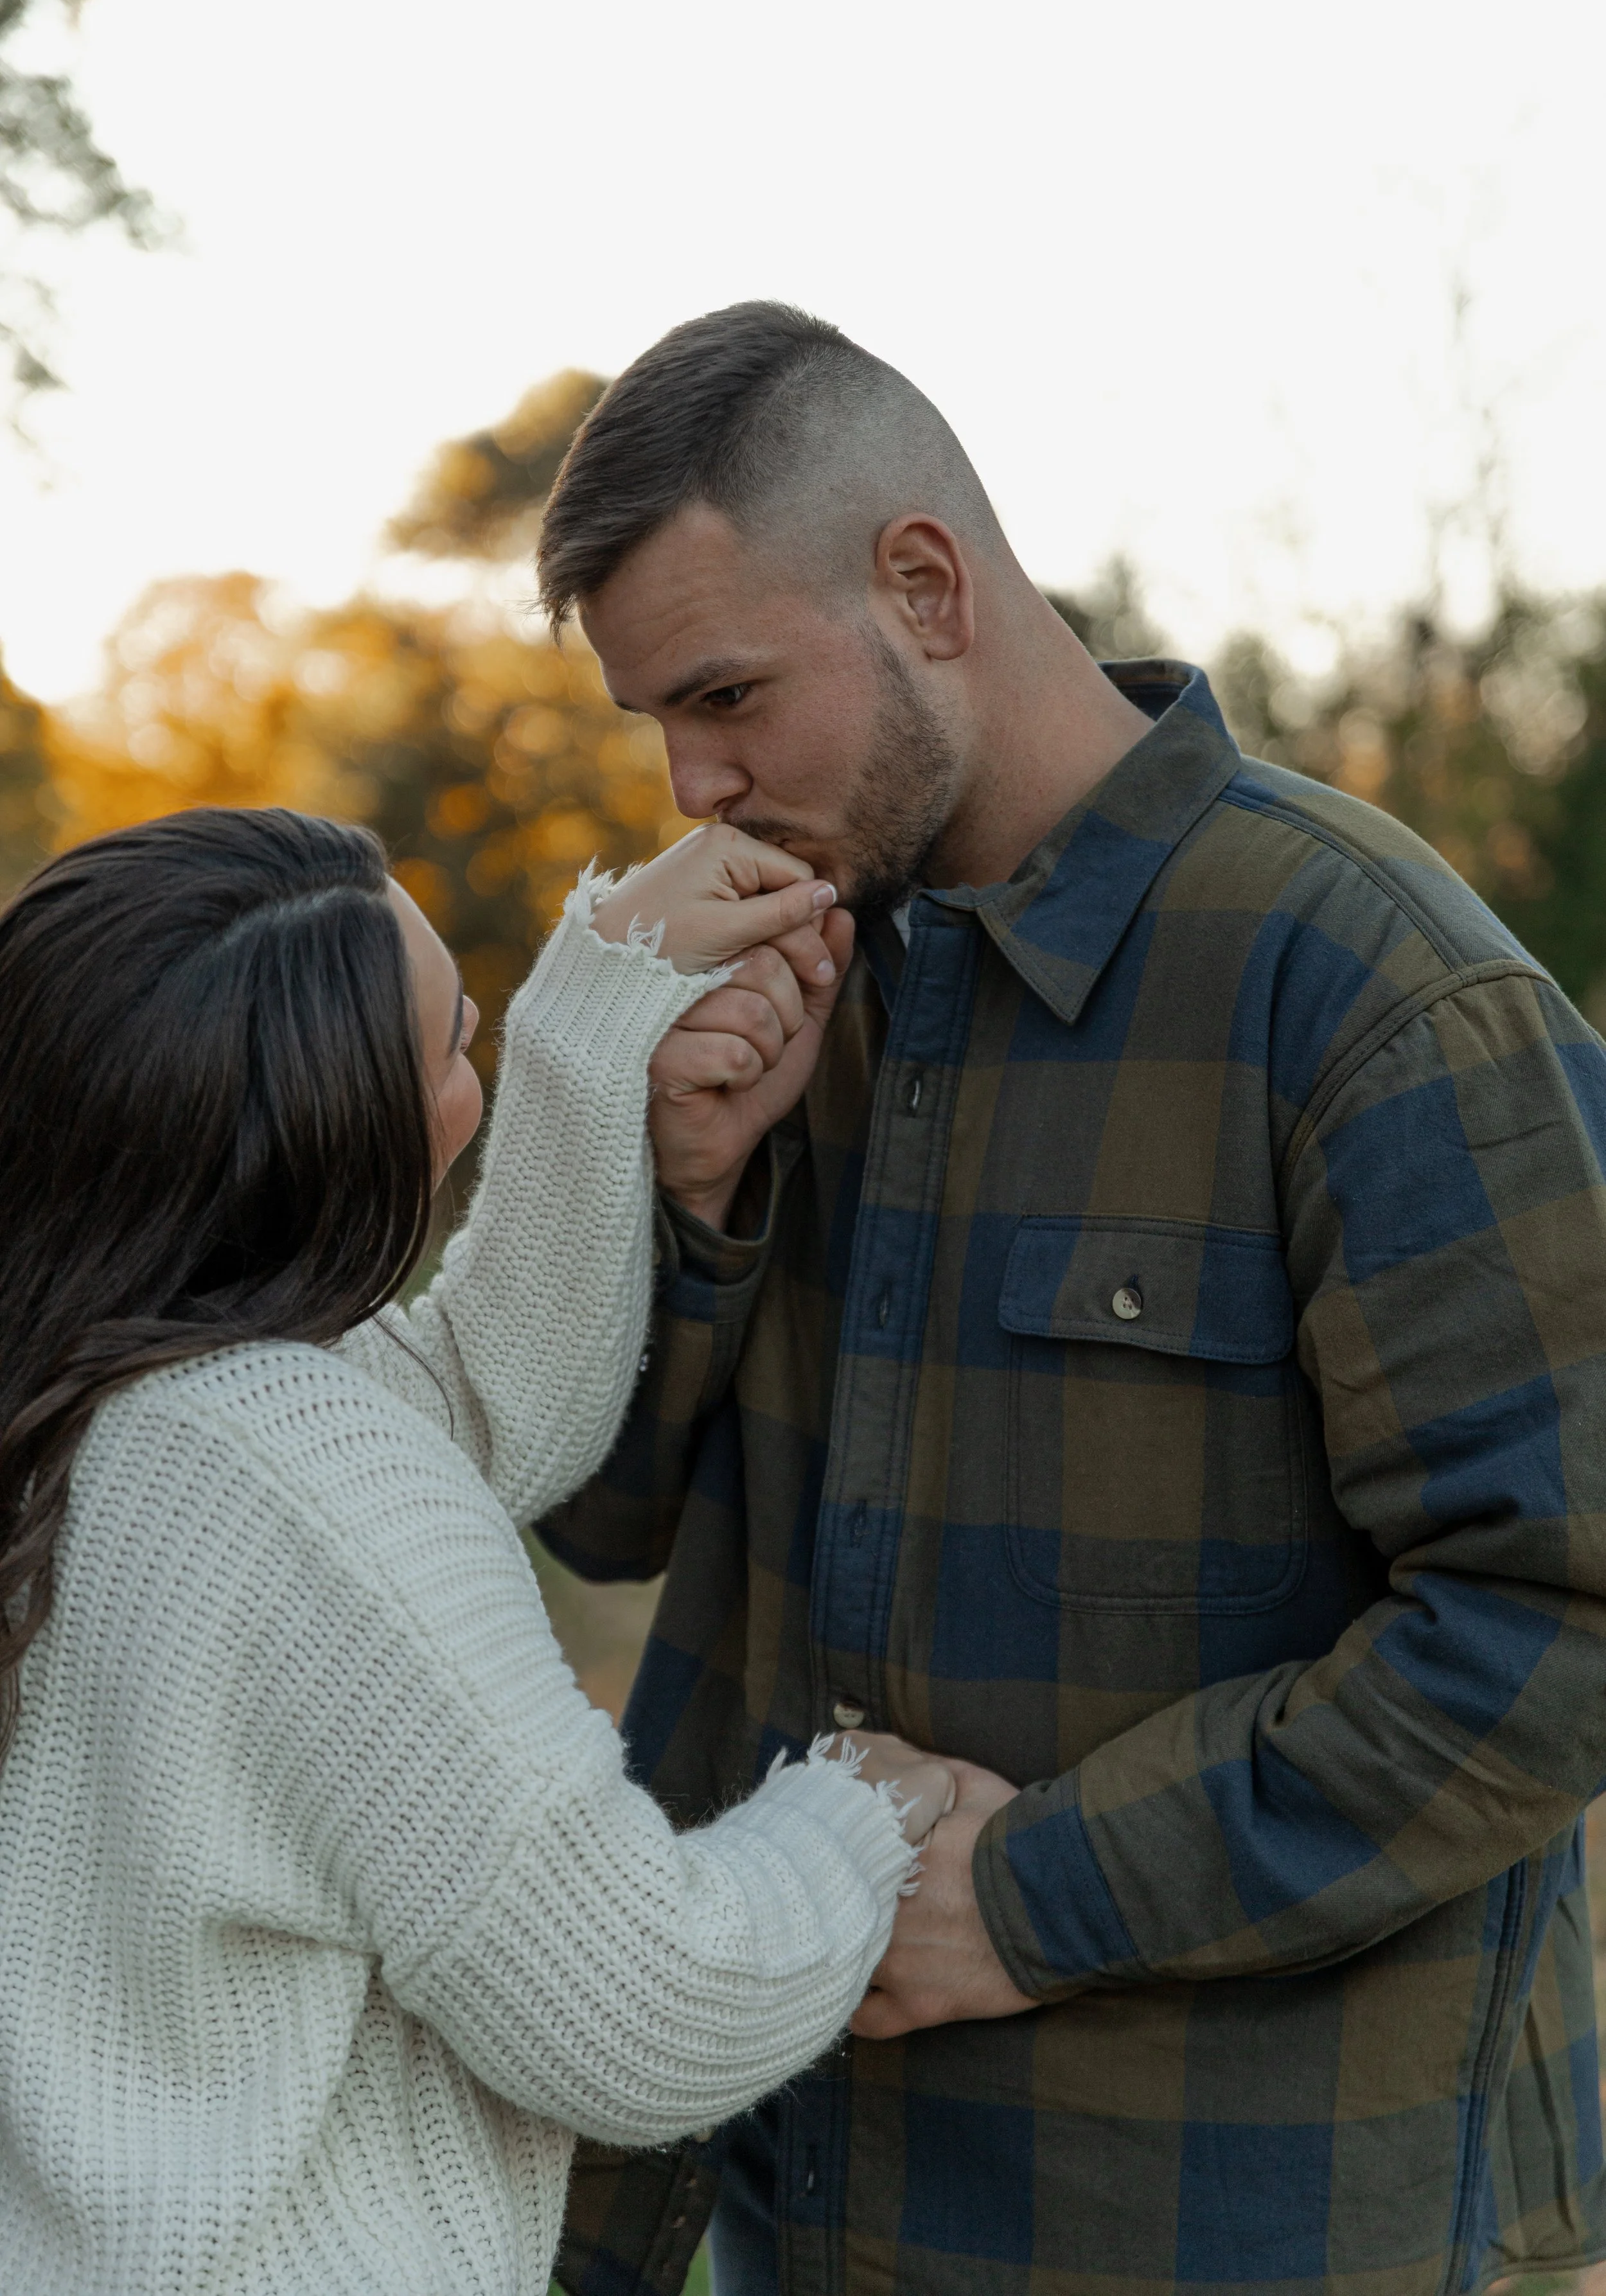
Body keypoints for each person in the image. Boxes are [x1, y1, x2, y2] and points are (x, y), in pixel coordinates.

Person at [534, 302, 1606, 2296]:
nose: (690, 782)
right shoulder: (759, 990)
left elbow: (1554, 1623)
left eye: (726, 693)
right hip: (790, 2197)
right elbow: (590, 1521)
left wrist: (1027, 1896)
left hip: (1229, 2223)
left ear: (923, 583)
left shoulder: (1366, 993)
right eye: (655, 723)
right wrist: (678, 1197)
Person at [0, 803, 958, 2295]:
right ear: (326, 1141)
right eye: (459, 1050)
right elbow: (641, 2006)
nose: (479, 1080)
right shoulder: (293, 1471)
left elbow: (473, 1408)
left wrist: (593, 1029)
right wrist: (856, 1817)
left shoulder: (95, 1384)